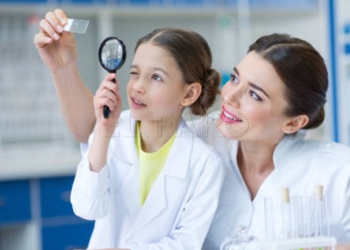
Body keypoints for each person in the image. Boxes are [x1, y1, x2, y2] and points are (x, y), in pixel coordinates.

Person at [34, 9, 350, 250]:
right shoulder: (204, 136)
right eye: (236, 78)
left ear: (294, 122)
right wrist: (63, 69)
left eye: (254, 94)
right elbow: (97, 131)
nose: (229, 96)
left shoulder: (336, 170)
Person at [35, 10, 225, 250]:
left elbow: (187, 242)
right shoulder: (114, 132)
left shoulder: (205, 163)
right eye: (134, 73)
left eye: (156, 77)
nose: (137, 87)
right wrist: (104, 129)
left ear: (188, 94)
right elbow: (86, 207)